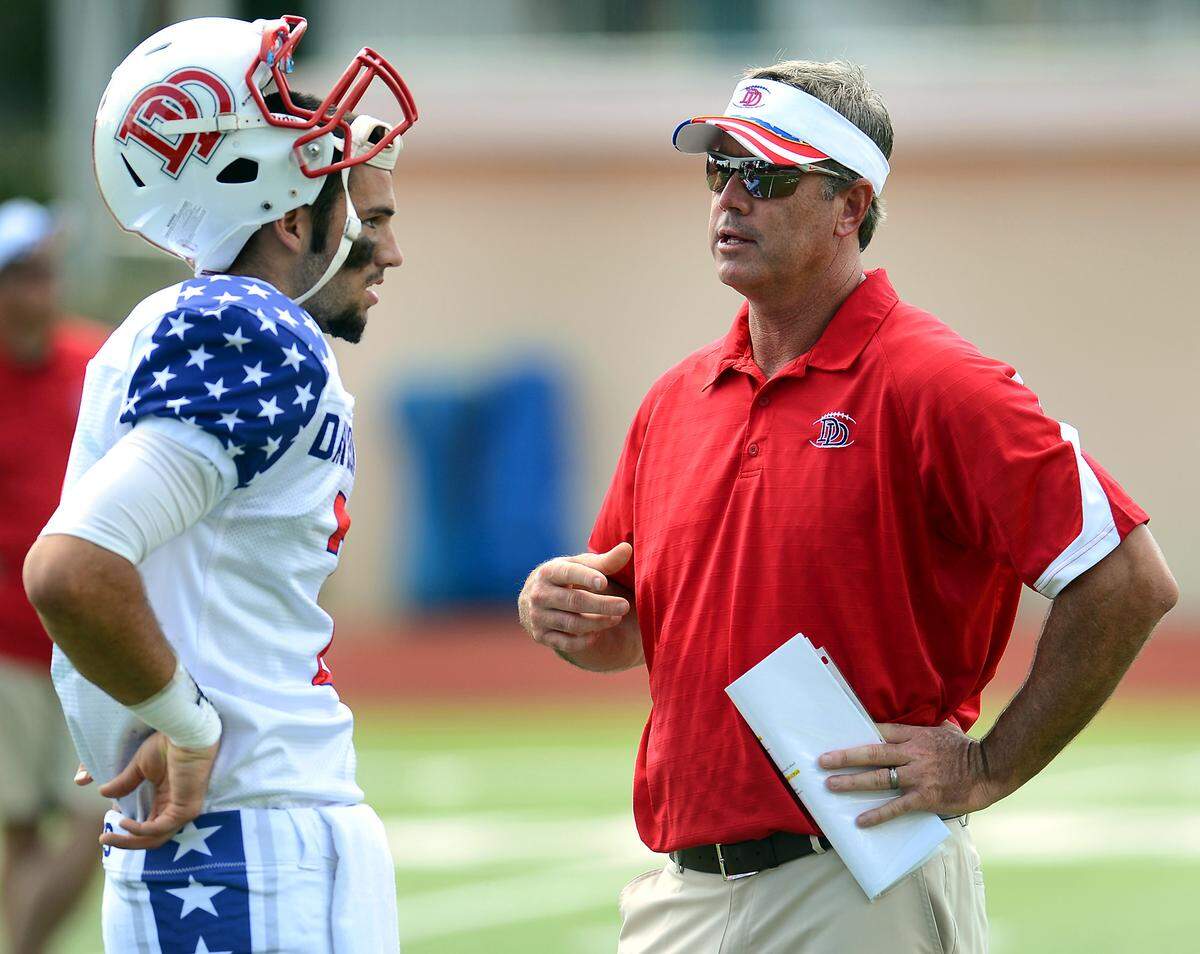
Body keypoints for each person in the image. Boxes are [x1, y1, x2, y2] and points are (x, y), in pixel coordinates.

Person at [517, 59, 1178, 953]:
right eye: (721, 170)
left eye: (768, 176)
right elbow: (626, 629)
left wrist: (988, 767)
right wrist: (563, 607)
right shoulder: (678, 397)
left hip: (857, 882)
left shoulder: (937, 381)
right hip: (681, 891)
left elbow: (1128, 577)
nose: (731, 199)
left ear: (850, 206)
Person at [22, 15, 417, 953]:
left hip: (251, 831)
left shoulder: (202, 322)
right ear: (288, 213)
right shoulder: (248, 322)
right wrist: (182, 721)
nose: (389, 251)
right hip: (244, 835)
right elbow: (73, 568)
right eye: (373, 218)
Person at [0, 198, 106, 953]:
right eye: (24, 274)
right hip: (4, 639)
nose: (41, 289)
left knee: (103, 815)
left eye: (46, 270)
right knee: (20, 825)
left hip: (87, 634)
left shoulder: (92, 364)